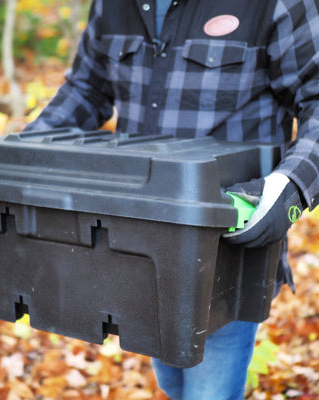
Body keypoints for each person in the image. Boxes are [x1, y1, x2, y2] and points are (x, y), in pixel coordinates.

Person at [23, 0, 319, 398]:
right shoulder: (112, 5)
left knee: (209, 391)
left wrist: (291, 187)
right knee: (173, 383)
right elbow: (87, 87)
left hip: (228, 251)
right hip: (140, 244)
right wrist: (20, 151)